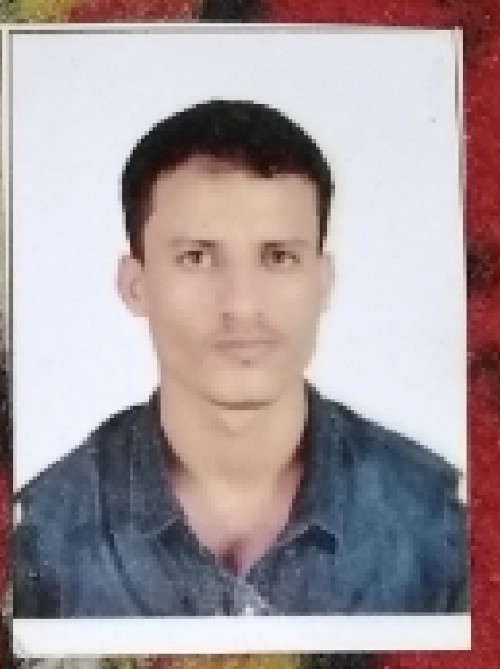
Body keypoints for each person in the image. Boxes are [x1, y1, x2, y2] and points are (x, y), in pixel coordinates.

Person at [15, 100, 467, 617]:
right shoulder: (38, 537)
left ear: (323, 282)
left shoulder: (440, 526)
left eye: (279, 257)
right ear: (135, 284)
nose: (242, 306)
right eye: (197, 257)